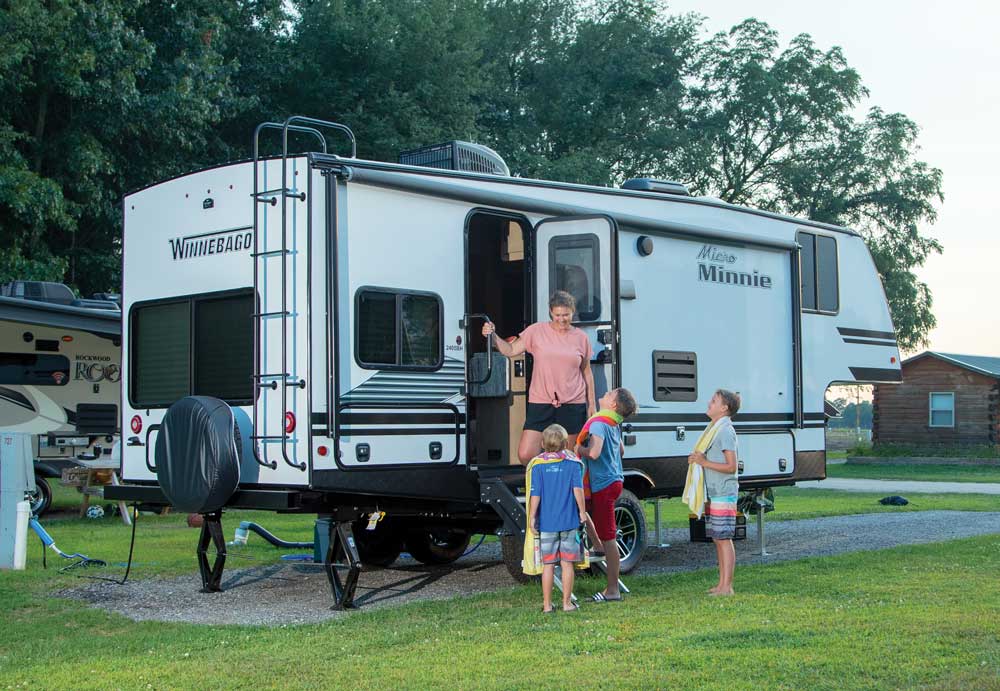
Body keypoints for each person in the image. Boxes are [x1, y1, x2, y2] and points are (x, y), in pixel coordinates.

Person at [482, 291, 595, 464]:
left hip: (573, 402)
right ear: (550, 313)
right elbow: (510, 350)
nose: (562, 319)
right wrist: (493, 337)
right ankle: (542, 481)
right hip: (541, 401)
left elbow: (586, 371)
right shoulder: (536, 331)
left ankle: (560, 488)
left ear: (572, 312)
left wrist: (591, 405)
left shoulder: (581, 337)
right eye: (557, 315)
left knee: (567, 457)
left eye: (566, 314)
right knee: (526, 454)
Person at [574, 387, 637, 602]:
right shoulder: (613, 423)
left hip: (603, 484)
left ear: (613, 405)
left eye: (611, 394)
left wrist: (578, 449)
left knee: (610, 536)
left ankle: (612, 590)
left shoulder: (599, 423)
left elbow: (594, 452)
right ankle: (597, 545)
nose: (606, 393)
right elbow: (621, 451)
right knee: (585, 512)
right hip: (615, 479)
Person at [527, 424, 587, 613]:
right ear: (566, 443)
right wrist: (582, 512)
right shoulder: (572, 465)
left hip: (547, 523)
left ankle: (546, 605)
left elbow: (535, 495)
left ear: (543, 443)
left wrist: (531, 517)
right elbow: (578, 491)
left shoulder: (538, 467)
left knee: (548, 565)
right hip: (568, 522)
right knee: (567, 563)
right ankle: (566, 603)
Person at [688, 389, 741, 596]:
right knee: (718, 538)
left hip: (724, 491)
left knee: (724, 538)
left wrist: (703, 462)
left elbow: (731, 466)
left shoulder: (725, 431)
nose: (709, 403)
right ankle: (721, 584)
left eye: (714, 400)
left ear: (724, 407)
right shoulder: (715, 429)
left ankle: (727, 587)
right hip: (716, 491)